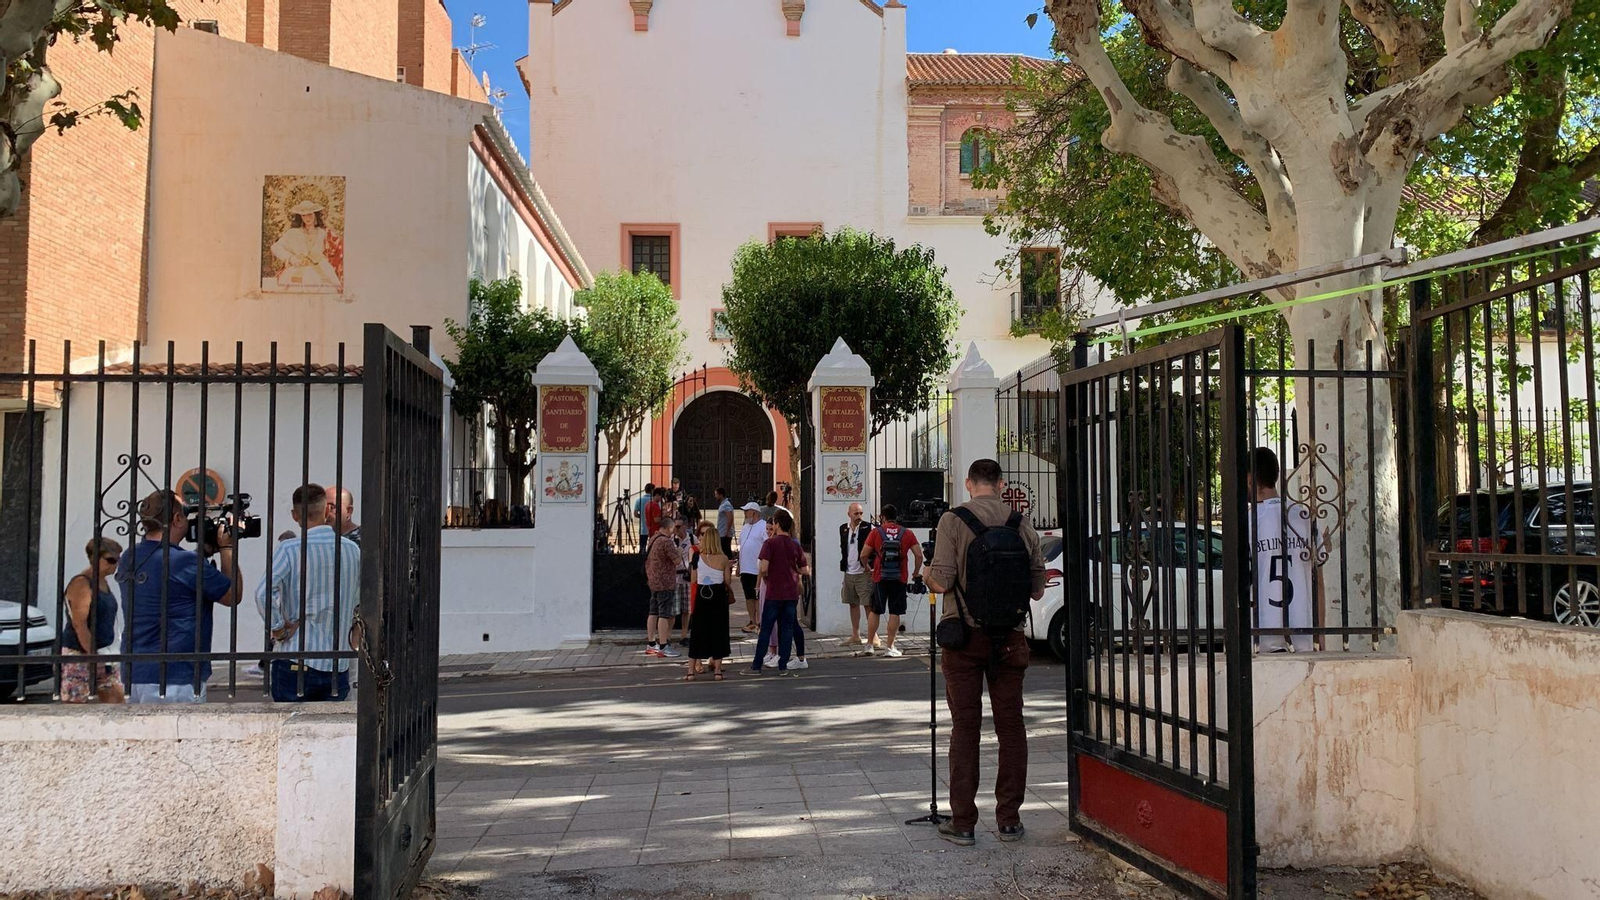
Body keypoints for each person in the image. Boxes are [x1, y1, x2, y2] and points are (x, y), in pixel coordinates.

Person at [924, 459, 1046, 846]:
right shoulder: (1021, 523)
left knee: (965, 728)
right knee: (1011, 728)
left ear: (968, 483)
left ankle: (963, 822)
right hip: (1010, 639)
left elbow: (941, 582)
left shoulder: (952, 520)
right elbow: (1037, 590)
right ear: (1001, 485)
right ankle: (1009, 819)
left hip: (964, 639)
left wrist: (926, 573)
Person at [120, 489, 244, 703]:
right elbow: (232, 596)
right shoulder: (184, 562)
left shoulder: (130, 555)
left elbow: (170, 581)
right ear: (177, 519)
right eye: (186, 514)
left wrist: (203, 553)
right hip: (175, 676)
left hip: (135, 672)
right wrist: (227, 547)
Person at [255, 483, 361, 702]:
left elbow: (263, 593)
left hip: (297, 658)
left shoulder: (290, 549)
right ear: (326, 510)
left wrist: (277, 628)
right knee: (331, 722)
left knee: (290, 721)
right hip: (337, 660)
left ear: (295, 516)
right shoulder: (352, 550)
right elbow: (359, 598)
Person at [1250, 447, 1321, 652]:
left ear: (1249, 479)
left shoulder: (1249, 521)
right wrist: (1320, 635)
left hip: (1263, 637)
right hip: (1304, 635)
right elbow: (1318, 580)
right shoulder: (1302, 516)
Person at [59, 537, 125, 703]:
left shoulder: (102, 582)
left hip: (104, 653)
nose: (115, 564)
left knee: (116, 702)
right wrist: (93, 656)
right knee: (77, 705)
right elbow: (79, 624)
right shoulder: (82, 583)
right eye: (110, 560)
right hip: (80, 653)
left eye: (118, 559)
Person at [743, 509, 809, 676]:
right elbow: (805, 569)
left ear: (777, 524)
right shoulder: (795, 544)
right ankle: (783, 666)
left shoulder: (770, 544)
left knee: (766, 629)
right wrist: (793, 570)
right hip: (791, 593)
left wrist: (766, 576)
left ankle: (756, 666)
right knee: (786, 630)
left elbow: (763, 567)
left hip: (774, 592)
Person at [861, 503, 923, 658]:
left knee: (875, 610)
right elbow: (919, 555)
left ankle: (869, 645)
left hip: (879, 577)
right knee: (895, 612)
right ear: (896, 517)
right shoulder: (906, 533)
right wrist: (916, 572)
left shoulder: (876, 532)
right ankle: (890, 647)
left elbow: (863, 554)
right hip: (899, 577)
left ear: (883, 517)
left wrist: (867, 567)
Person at [687, 522, 733, 680]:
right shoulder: (723, 558)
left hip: (702, 594)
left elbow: (693, 579)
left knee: (698, 631)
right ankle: (718, 671)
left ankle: (690, 671)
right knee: (719, 631)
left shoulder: (697, 557)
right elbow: (727, 580)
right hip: (718, 595)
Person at [763, 512, 809, 670]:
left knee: (790, 624)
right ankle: (791, 656)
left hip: (785, 589)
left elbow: (802, 567)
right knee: (788, 623)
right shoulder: (788, 541)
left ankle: (794, 657)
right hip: (786, 588)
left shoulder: (787, 542)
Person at [643, 513, 682, 658]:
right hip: (665, 582)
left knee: (653, 612)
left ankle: (651, 643)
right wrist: (679, 552)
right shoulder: (666, 542)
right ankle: (664, 646)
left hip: (653, 580)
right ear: (669, 527)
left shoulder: (653, 538)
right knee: (664, 614)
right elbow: (677, 561)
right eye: (673, 528)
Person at [839, 502, 874, 645]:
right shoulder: (843, 528)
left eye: (861, 513)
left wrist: (870, 564)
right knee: (852, 603)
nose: (859, 516)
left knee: (868, 604)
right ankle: (855, 635)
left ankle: (873, 636)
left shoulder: (869, 527)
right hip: (849, 571)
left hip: (863, 572)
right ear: (849, 514)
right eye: (856, 513)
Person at [736, 501, 766, 634]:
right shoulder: (745, 527)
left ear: (754, 512)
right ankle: (752, 620)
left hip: (757, 568)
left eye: (747, 511)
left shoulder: (763, 526)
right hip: (745, 568)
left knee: (758, 596)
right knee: (749, 596)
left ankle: (760, 621)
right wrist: (739, 565)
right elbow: (741, 546)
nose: (744, 513)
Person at [672, 516, 696, 648]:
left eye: (678, 526)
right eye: (674, 526)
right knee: (673, 610)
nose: (675, 529)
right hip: (675, 577)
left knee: (687, 609)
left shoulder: (692, 539)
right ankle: (667, 637)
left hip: (687, 577)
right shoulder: (671, 539)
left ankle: (684, 635)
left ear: (685, 526)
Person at [715, 488, 735, 558]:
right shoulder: (723, 504)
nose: (715, 496)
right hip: (722, 532)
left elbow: (730, 517)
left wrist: (727, 531)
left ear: (721, 495)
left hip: (724, 533)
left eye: (716, 494)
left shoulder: (726, 505)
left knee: (726, 552)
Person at [634, 482, 655, 549]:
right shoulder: (655, 500)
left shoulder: (639, 500)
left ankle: (642, 553)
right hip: (654, 528)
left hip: (643, 528)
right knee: (653, 547)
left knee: (642, 547)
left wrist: (643, 516)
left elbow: (635, 514)